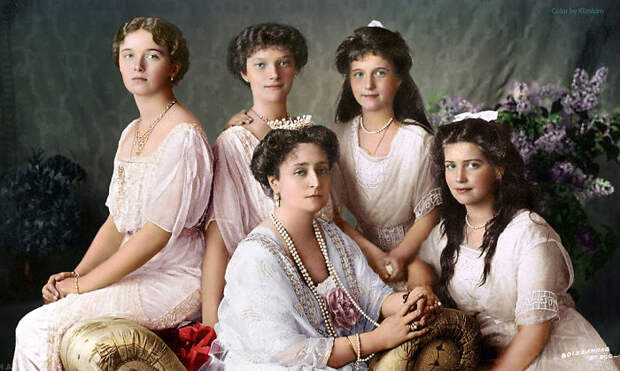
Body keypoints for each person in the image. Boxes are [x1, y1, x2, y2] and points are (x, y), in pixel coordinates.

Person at [13, 17, 213, 370]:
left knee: (36, 327)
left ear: (174, 66)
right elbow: (116, 223)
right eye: (127, 55)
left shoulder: (184, 136)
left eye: (152, 55)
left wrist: (86, 285)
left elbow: (154, 235)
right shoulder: (131, 132)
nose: (137, 66)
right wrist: (74, 277)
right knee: (46, 318)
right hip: (137, 269)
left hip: (175, 279)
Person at [206, 125, 440, 370]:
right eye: (300, 172)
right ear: (274, 182)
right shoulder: (255, 257)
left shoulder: (331, 236)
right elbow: (285, 351)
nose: (315, 182)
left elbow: (374, 299)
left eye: (322, 170)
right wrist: (375, 340)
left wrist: (411, 298)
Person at [417, 117, 616, 370]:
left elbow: (533, 335)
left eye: (472, 165)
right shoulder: (448, 230)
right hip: (480, 353)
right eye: (451, 166)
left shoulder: (530, 234)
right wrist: (421, 287)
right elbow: (419, 263)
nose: (459, 177)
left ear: (498, 169)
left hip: (538, 355)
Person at [201, 23, 325, 326]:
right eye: (260, 65)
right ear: (245, 73)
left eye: (283, 63)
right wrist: (209, 324)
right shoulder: (234, 142)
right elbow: (220, 234)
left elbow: (328, 219)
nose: (273, 74)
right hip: (261, 279)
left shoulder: (312, 136)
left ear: (295, 68)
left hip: (319, 273)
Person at [330, 21, 440, 291]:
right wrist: (375, 256)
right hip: (361, 246)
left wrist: (400, 256)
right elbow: (334, 216)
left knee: (419, 290)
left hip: (419, 248)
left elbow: (430, 212)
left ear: (398, 79)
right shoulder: (338, 137)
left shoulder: (417, 140)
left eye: (379, 73)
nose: (368, 84)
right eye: (358, 74)